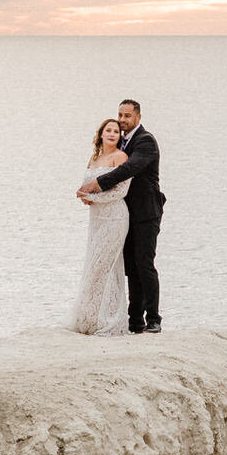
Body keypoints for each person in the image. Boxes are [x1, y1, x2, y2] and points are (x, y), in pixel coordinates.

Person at [77, 95, 163, 333]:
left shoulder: (145, 141)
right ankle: (135, 321)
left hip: (146, 213)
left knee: (145, 264)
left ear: (138, 117)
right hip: (124, 214)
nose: (123, 120)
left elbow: (130, 169)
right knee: (131, 268)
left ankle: (154, 319)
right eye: (120, 115)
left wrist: (97, 185)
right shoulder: (122, 143)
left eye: (127, 116)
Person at [69, 119, 132, 336]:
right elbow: (87, 185)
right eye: (109, 130)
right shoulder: (94, 158)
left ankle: (109, 319)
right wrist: (84, 196)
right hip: (96, 219)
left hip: (115, 217)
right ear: (101, 134)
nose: (113, 134)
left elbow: (120, 191)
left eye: (116, 131)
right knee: (92, 266)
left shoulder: (121, 158)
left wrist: (95, 198)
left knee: (105, 266)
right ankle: (90, 319)